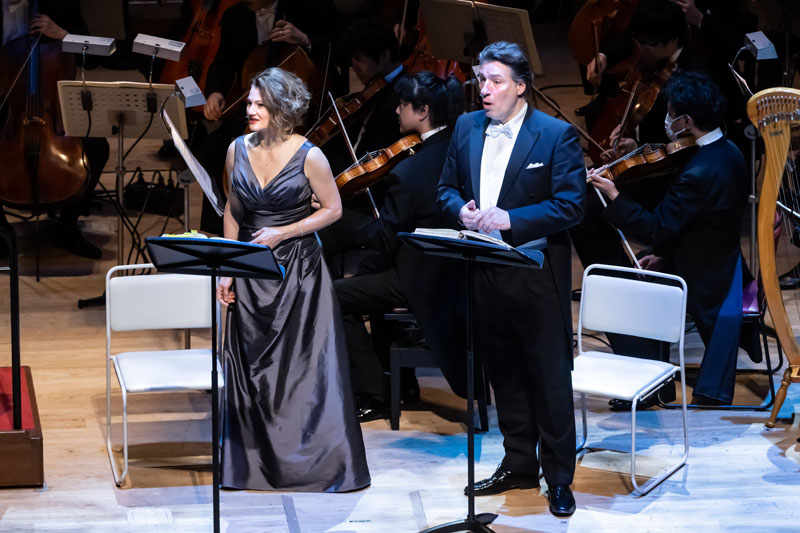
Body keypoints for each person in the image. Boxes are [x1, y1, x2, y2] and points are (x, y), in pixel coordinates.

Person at [437, 41, 584, 516]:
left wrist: (511, 219)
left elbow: (571, 206)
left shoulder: (556, 135)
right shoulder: (465, 127)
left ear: (520, 87)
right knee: (505, 376)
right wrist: (459, 210)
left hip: (535, 275)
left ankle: (559, 478)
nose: (484, 89)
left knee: (549, 381)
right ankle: (519, 463)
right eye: (481, 79)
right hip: (484, 271)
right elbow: (444, 188)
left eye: (495, 81)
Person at [215, 67, 370, 491]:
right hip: (251, 272)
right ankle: (253, 466)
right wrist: (229, 268)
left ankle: (313, 467)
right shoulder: (235, 149)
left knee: (303, 372)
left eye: (260, 104)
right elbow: (233, 212)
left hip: (299, 274)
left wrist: (284, 232)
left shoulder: (310, 156)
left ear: (281, 109)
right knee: (252, 371)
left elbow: (333, 209)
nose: (250, 110)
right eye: (249, 102)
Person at [589, 70, 747, 406]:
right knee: (644, 266)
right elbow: (699, 221)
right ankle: (656, 383)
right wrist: (665, 254)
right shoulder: (729, 150)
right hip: (715, 257)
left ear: (686, 121)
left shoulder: (698, 172)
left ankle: (648, 387)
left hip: (703, 275)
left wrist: (614, 195)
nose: (667, 120)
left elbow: (654, 229)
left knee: (624, 291)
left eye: (671, 114)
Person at [332, 71, 467, 422]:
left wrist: (337, 213)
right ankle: (401, 384)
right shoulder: (461, 148)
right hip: (459, 269)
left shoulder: (409, 171)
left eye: (403, 104)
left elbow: (383, 237)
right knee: (370, 268)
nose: (396, 111)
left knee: (332, 296)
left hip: (421, 278)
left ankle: (374, 393)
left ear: (422, 112)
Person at [197, 0, 340, 235]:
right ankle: (218, 231)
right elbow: (223, 61)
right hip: (252, 107)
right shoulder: (235, 15)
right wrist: (215, 92)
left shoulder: (310, 6)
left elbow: (341, 47)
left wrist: (306, 40)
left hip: (298, 115)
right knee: (214, 148)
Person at [0, 0, 109, 259]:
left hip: (52, 110)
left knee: (97, 148)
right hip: (8, 106)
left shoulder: (59, 4)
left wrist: (63, 35)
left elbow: (95, 56)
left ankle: (67, 227)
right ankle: (1, 232)